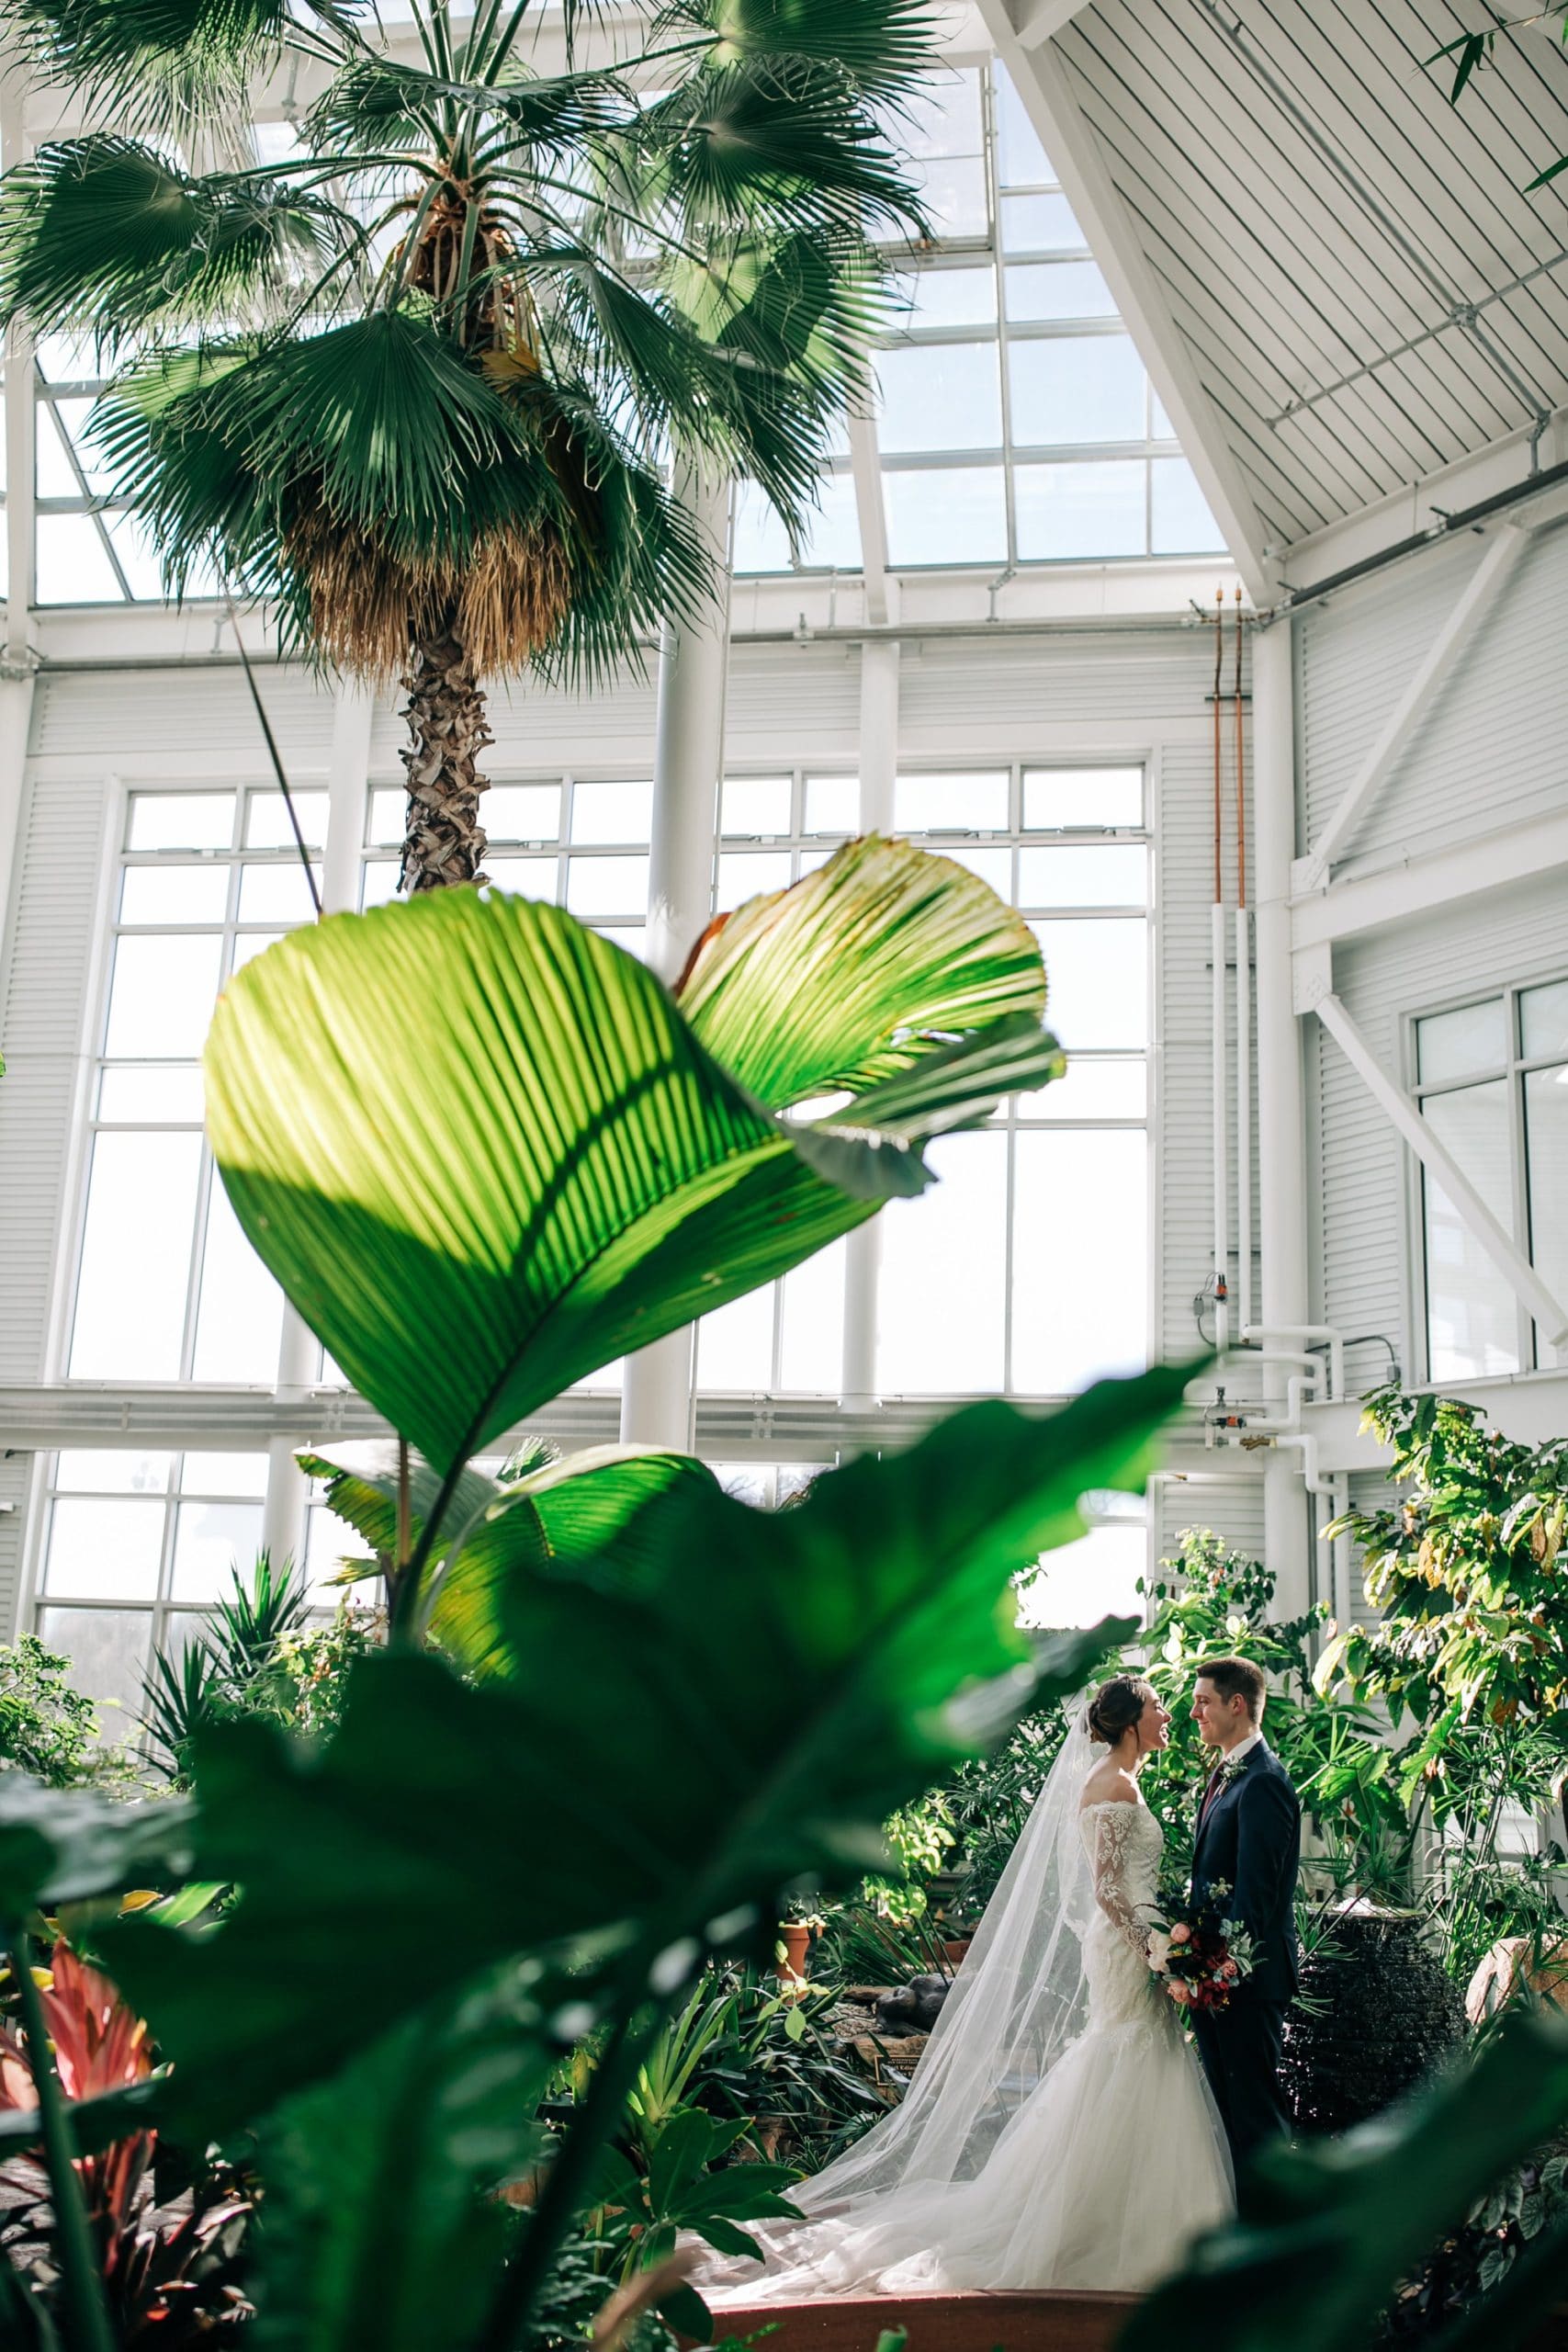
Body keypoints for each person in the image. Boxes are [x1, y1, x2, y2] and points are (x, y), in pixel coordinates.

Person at [691, 1675, 1234, 2305]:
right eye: (1157, 1706)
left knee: (1133, 2056)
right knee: (1124, 2055)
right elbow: (1107, 1888)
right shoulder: (1109, 1784)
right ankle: (1096, 2226)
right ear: (1130, 1722)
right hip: (1126, 1947)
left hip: (1137, 1943)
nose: (1168, 1714)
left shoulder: (1125, 1779)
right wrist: (1156, 1949)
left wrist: (1165, 1944)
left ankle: (1129, 2218)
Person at [1189, 1655, 1302, 2163]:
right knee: (1227, 2111)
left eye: (1203, 1702)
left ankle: (1276, 2229)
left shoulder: (1263, 1782)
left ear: (1237, 1704)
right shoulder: (1226, 1772)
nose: (1194, 1713)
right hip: (1215, 1976)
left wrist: (1221, 1969)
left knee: (1254, 2112)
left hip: (1247, 1981)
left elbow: (1256, 1896)